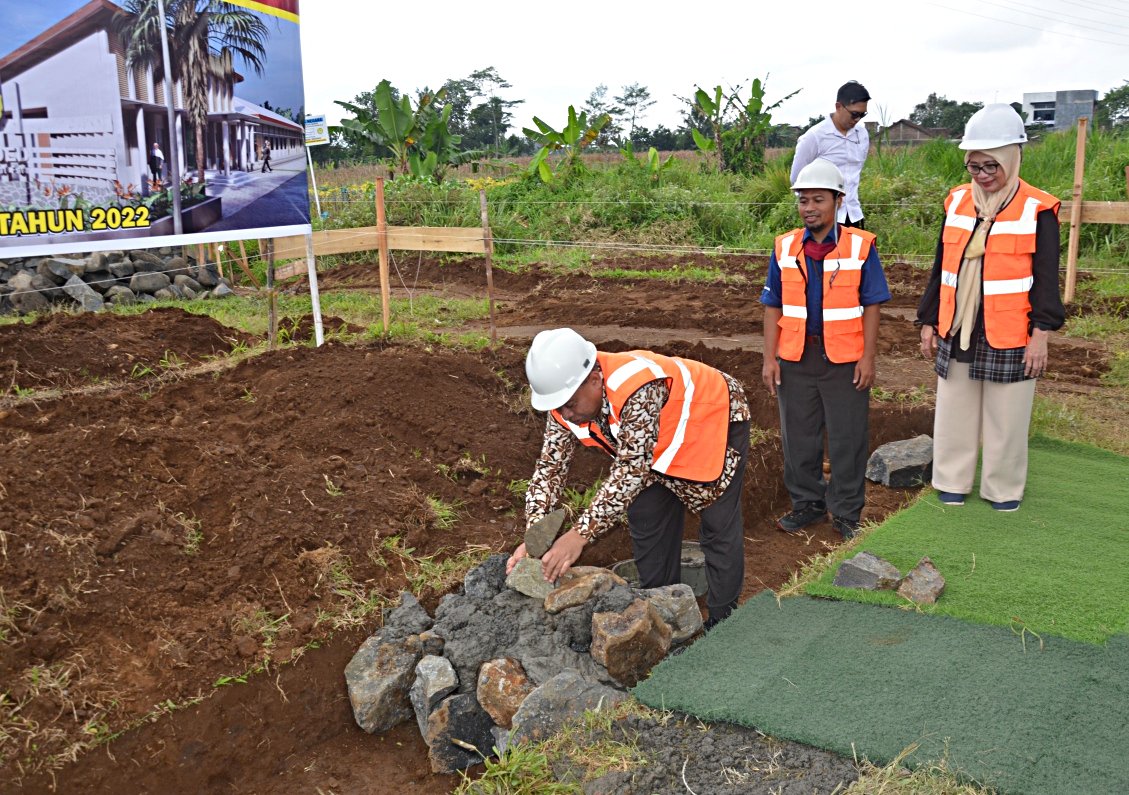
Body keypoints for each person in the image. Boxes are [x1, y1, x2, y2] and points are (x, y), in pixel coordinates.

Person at [506, 328, 751, 629]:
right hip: (652, 448)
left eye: (569, 405)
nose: (565, 414)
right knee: (647, 518)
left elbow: (632, 469)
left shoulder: (636, 386)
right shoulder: (564, 404)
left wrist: (579, 536)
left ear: (594, 380)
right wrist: (534, 541)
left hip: (709, 421)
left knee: (717, 525)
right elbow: (549, 470)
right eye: (558, 407)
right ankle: (663, 616)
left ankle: (722, 621)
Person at [916, 104, 1065, 512]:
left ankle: (1002, 489)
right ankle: (951, 481)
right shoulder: (957, 202)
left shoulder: (1039, 208)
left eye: (990, 166)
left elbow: (1046, 279)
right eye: (974, 166)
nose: (982, 175)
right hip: (958, 322)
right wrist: (928, 319)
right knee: (954, 408)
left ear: (1013, 158)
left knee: (1008, 416)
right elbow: (940, 266)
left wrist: (1041, 336)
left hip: (1011, 328)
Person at [761, 158, 891, 539]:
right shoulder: (785, 247)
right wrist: (770, 358)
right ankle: (807, 505)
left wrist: (867, 357)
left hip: (845, 360)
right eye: (803, 200)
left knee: (848, 437)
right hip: (796, 357)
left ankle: (847, 513)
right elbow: (773, 305)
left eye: (818, 199)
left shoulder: (860, 247)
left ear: (838, 201)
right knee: (798, 437)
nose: (809, 208)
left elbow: (873, 303)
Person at [791, 81, 871, 228]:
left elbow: (855, 173)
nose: (857, 119)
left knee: (859, 251)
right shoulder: (814, 137)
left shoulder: (862, 135)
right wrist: (814, 209)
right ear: (839, 106)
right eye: (854, 114)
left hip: (854, 215)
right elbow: (797, 180)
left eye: (862, 115)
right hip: (824, 221)